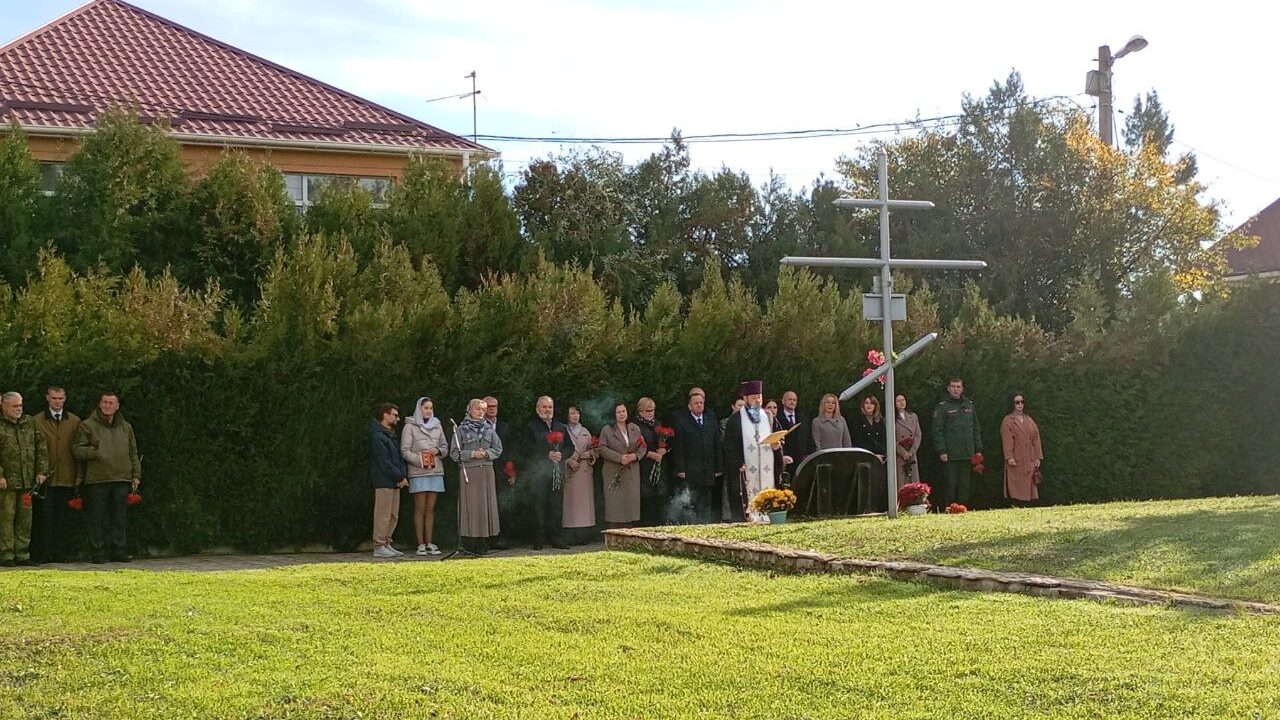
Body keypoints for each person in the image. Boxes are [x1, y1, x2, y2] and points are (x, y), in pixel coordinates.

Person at [72, 391, 140, 564]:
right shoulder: (87, 425)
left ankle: (119, 550)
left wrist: (136, 475)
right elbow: (77, 450)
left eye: (111, 403)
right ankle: (98, 552)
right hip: (97, 480)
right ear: (100, 404)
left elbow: (133, 452)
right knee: (97, 518)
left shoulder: (126, 427)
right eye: (105, 402)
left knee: (119, 518)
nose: (107, 406)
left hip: (122, 479)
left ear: (117, 406)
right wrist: (96, 452)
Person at [33, 387, 82, 564]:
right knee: (44, 518)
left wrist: (78, 477)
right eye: (54, 398)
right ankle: (44, 553)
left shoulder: (75, 421)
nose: (57, 401)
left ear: (65, 399)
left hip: (67, 477)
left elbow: (78, 450)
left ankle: (61, 553)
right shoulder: (36, 420)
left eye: (60, 398)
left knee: (63, 519)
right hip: (45, 478)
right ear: (47, 398)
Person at [0, 392, 49, 566]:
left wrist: (41, 471)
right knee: (6, 519)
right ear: (4, 406)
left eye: (20, 405)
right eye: (15, 406)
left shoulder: (29, 423)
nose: (19, 409)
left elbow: (41, 447)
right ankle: (6, 554)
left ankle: (23, 553)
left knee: (25, 520)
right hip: (7, 484)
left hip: (27, 482)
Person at [518, 396, 572, 549]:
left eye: (550, 407)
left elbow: (570, 447)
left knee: (556, 506)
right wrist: (546, 454)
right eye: (544, 407)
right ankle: (538, 539)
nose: (547, 410)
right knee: (538, 506)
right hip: (538, 473)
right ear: (537, 409)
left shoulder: (561, 426)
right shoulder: (531, 426)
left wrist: (562, 455)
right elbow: (526, 448)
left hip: (557, 472)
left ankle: (557, 538)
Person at [449, 399, 503, 554]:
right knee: (471, 506)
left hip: (486, 471)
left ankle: (484, 542)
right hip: (470, 472)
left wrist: (486, 453)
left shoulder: (489, 430)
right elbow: (454, 453)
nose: (481, 412)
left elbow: (498, 449)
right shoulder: (460, 430)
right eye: (477, 409)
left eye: (483, 409)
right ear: (469, 410)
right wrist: (472, 454)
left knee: (485, 505)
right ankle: (469, 542)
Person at [723, 380, 780, 522]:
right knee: (745, 498)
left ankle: (767, 515)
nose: (757, 400)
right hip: (745, 468)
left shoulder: (768, 416)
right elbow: (729, 445)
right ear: (745, 398)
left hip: (765, 468)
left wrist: (776, 446)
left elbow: (777, 437)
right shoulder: (735, 419)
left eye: (759, 397)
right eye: (754, 397)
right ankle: (745, 519)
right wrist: (738, 462)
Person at [401, 396, 448, 556]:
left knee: (430, 508)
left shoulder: (437, 425)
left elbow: (445, 447)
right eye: (425, 408)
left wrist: (438, 451)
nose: (428, 410)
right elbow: (405, 451)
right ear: (419, 409)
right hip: (419, 472)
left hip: (435, 471)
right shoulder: (410, 426)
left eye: (430, 408)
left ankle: (429, 542)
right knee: (420, 508)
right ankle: (420, 544)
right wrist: (420, 460)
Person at [668, 389, 723, 523]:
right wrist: (680, 468)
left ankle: (705, 524)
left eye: (701, 403)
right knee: (692, 501)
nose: (699, 405)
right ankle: (692, 524)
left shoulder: (711, 420)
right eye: (696, 403)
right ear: (689, 406)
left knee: (706, 501)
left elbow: (717, 444)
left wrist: (719, 467)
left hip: (708, 469)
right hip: (691, 470)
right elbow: (678, 446)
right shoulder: (682, 422)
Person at [932, 377, 983, 510]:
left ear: (962, 388)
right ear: (948, 389)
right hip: (951, 454)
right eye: (953, 387)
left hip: (967, 453)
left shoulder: (969, 405)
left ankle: (963, 509)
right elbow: (937, 430)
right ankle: (950, 509)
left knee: (965, 485)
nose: (956, 389)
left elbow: (975, 428)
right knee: (950, 484)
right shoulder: (942, 407)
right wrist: (941, 450)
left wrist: (978, 449)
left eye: (958, 387)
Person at [368, 402, 408, 559]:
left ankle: (387, 542)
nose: (397, 418)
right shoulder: (378, 436)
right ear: (385, 415)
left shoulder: (390, 435)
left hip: (394, 481)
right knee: (383, 514)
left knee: (392, 514)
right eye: (395, 415)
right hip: (384, 481)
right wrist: (399, 476)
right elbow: (384, 462)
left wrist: (401, 476)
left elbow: (397, 458)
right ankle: (379, 545)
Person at [598, 401, 643, 528]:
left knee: (630, 505)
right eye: (618, 412)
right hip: (614, 472)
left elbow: (643, 446)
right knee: (615, 506)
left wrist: (636, 456)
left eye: (623, 411)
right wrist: (619, 458)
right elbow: (601, 448)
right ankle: (614, 531)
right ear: (614, 414)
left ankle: (629, 531)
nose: (622, 414)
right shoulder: (607, 430)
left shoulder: (635, 428)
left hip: (631, 472)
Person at [1001, 391, 1044, 506]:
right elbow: (1007, 440)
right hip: (1017, 457)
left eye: (1022, 402)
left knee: (1029, 484)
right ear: (1012, 404)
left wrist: (1038, 457)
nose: (1020, 404)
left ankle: (1029, 504)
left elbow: (1036, 439)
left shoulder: (1029, 419)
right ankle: (1016, 503)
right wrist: (1009, 457)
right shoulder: (1008, 420)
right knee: (1017, 484)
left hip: (1030, 457)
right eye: (1017, 402)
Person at [562, 404, 597, 544]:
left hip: (584, 471)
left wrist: (590, 454)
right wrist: (568, 461)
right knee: (570, 507)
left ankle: (584, 536)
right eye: (572, 413)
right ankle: (570, 536)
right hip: (570, 472)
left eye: (577, 413)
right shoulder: (563, 430)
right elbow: (559, 450)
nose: (575, 416)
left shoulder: (585, 431)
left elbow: (595, 449)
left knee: (584, 508)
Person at [483, 395, 515, 549]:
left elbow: (511, 450)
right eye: (488, 406)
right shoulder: (478, 427)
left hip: (502, 471)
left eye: (494, 406)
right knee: (486, 504)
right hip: (484, 469)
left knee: (503, 504)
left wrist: (511, 471)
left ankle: (503, 538)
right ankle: (486, 537)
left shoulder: (505, 427)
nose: (492, 409)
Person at [850, 395, 888, 514]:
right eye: (866, 403)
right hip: (864, 458)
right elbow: (857, 441)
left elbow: (884, 440)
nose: (869, 405)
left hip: (881, 459)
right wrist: (872, 456)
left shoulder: (880, 421)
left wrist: (883, 455)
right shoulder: (857, 421)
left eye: (872, 403)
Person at [634, 397, 669, 526]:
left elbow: (664, 442)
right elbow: (634, 447)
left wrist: (663, 450)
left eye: (652, 410)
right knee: (647, 502)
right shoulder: (635, 426)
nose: (650, 413)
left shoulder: (657, 424)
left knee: (659, 501)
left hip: (658, 466)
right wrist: (649, 454)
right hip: (644, 467)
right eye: (647, 411)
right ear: (640, 411)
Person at [893, 394, 923, 488]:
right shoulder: (890, 418)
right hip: (899, 455)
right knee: (901, 483)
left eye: (903, 400)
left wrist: (911, 451)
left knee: (913, 483)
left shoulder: (913, 416)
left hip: (912, 454)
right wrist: (903, 452)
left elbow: (918, 435)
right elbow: (891, 439)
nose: (901, 402)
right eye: (898, 401)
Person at [777, 390, 812, 470]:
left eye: (794, 400)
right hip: (784, 460)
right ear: (783, 401)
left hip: (801, 460)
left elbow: (809, 436)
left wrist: (809, 453)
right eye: (790, 399)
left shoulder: (803, 418)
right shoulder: (777, 418)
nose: (792, 402)